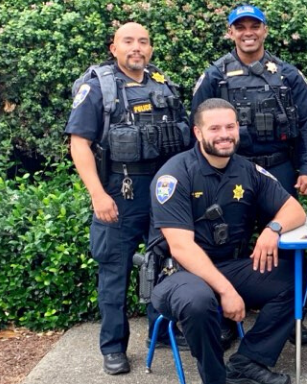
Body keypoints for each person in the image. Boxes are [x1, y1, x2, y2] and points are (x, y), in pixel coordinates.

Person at [191, 3, 307, 346]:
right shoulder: (215, 75)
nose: (248, 33)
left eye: (254, 26)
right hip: (230, 170)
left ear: (264, 30)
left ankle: (290, 318)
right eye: (241, 27)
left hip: (278, 168)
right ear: (231, 32)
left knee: (288, 243)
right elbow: (198, 126)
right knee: (223, 243)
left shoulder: (288, 74)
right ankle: (223, 318)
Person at [150, 98, 306, 384]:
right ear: (198, 133)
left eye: (230, 126)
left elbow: (295, 211)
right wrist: (226, 291)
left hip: (230, 265)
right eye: (215, 128)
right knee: (198, 301)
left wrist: (272, 229)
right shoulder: (174, 175)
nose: (224, 134)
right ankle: (215, 378)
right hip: (180, 274)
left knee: (294, 279)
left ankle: (248, 361)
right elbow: (182, 247)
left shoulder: (247, 170)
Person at [66, 22, 191, 375]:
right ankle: (113, 347)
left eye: (143, 41)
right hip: (119, 193)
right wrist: (97, 195)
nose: (137, 47)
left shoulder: (164, 85)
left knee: (165, 265)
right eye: (128, 41)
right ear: (114, 48)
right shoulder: (98, 88)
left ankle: (161, 332)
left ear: (150, 48)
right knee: (114, 272)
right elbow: (79, 144)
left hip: (163, 193)